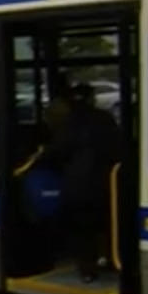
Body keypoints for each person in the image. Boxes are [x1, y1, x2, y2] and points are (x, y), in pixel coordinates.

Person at [40, 83, 121, 282]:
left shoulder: (69, 123)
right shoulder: (105, 119)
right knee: (107, 224)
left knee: (82, 229)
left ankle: (87, 270)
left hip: (78, 185)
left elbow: (56, 152)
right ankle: (111, 259)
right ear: (91, 99)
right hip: (107, 183)